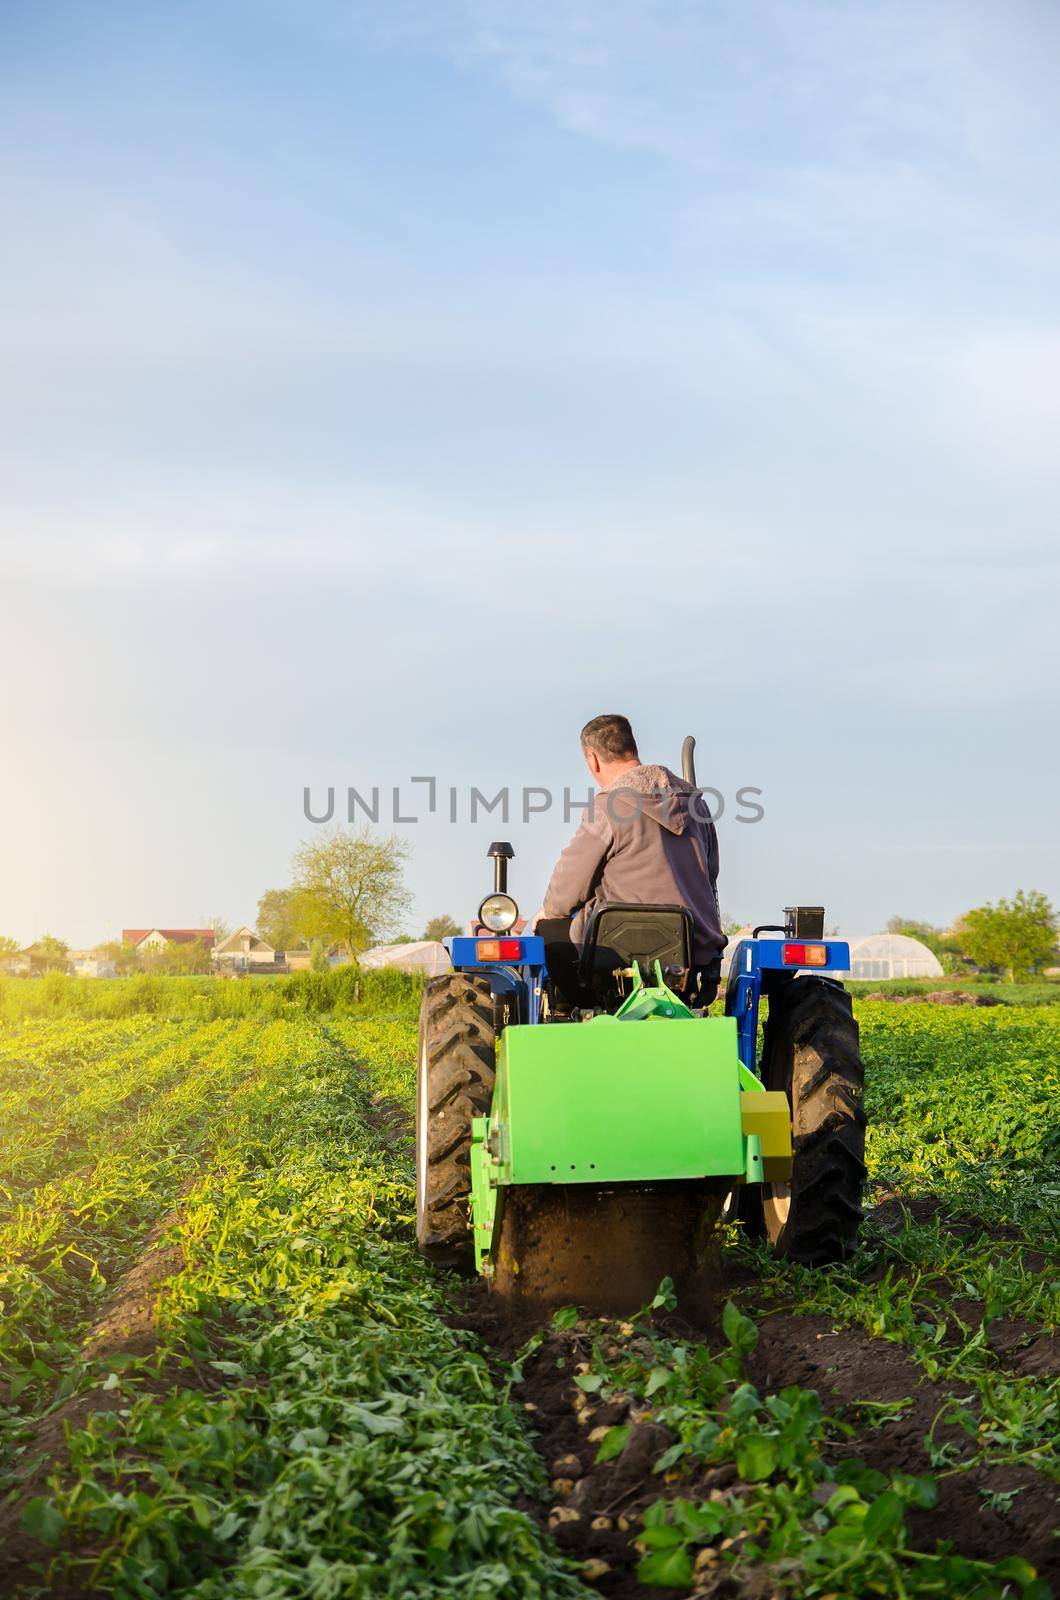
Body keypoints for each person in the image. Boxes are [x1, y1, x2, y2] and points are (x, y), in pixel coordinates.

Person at [537, 714, 725, 1003]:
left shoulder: (609, 806)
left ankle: (582, 1013)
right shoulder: (696, 803)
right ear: (632, 748)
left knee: (549, 927)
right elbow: (711, 874)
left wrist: (550, 910)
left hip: (618, 954)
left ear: (593, 760)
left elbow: (565, 892)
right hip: (692, 949)